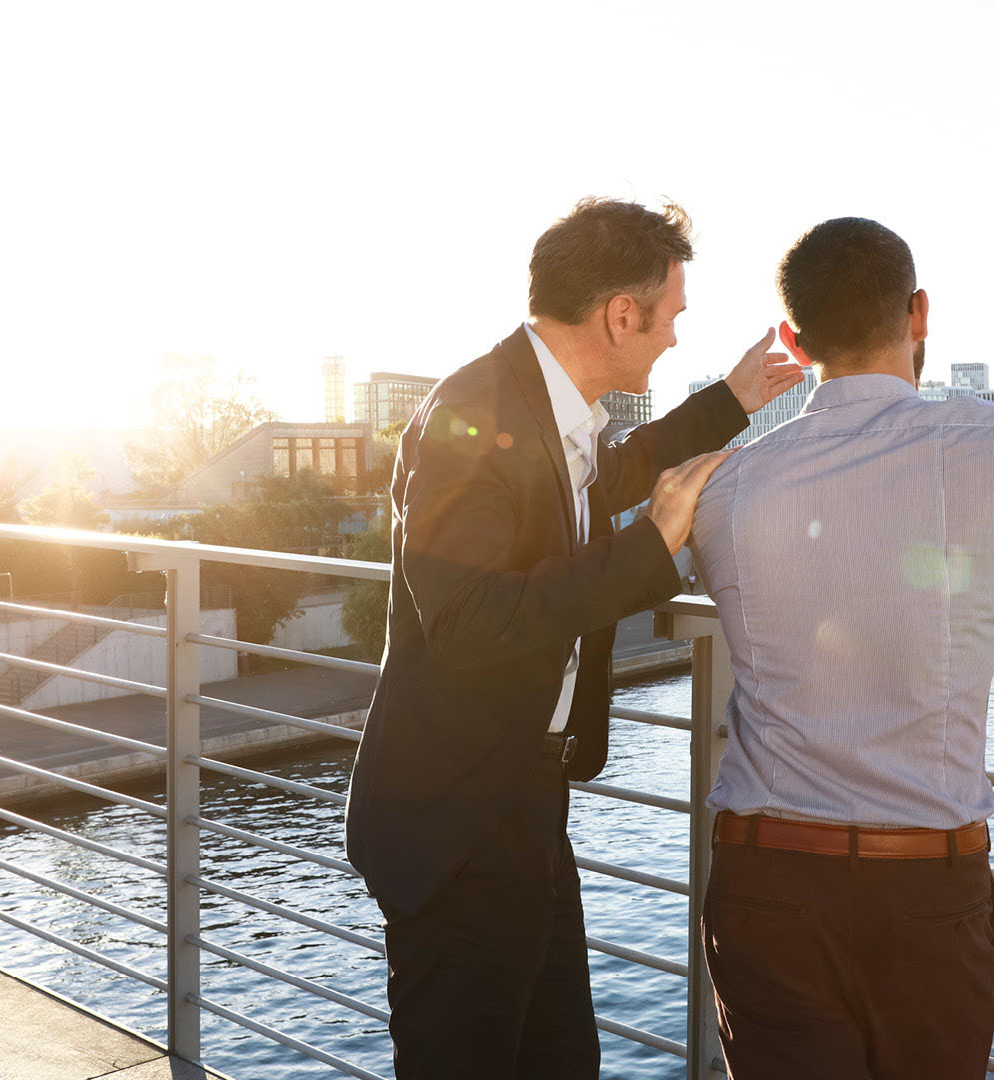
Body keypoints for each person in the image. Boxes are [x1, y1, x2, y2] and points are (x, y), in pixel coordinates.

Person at [344, 197, 804, 1079]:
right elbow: (473, 623)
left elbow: (610, 474)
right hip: (458, 823)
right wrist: (651, 546)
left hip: (525, 806)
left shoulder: (552, 412)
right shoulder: (467, 414)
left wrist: (735, 400)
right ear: (618, 316)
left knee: (561, 1061)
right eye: (669, 317)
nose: (673, 337)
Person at [688, 217, 994, 1079]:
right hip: (924, 885)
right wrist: (985, 603)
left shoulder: (729, 486)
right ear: (919, 313)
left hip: (765, 879)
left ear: (792, 338)